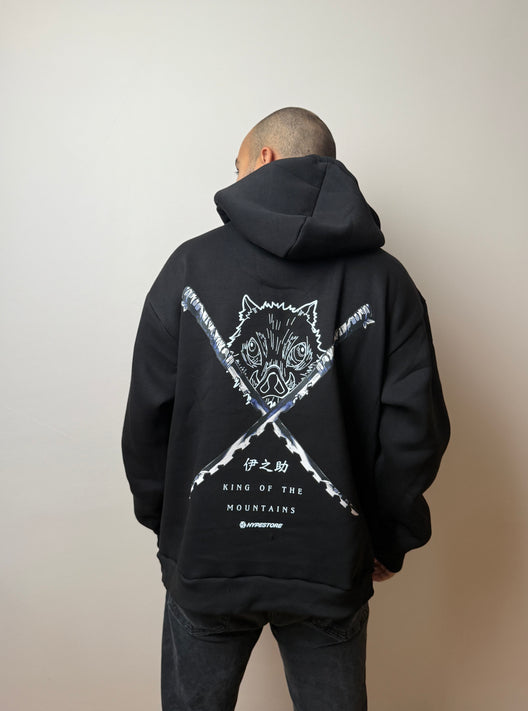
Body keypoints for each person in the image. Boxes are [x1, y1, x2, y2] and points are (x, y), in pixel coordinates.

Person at [122, 107, 450, 711]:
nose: (234, 176)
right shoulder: (387, 283)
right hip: (330, 559)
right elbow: (415, 434)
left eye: (237, 164)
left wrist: (171, 526)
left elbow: (146, 419)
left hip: (208, 554)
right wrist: (388, 538)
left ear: (265, 158)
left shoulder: (189, 268)